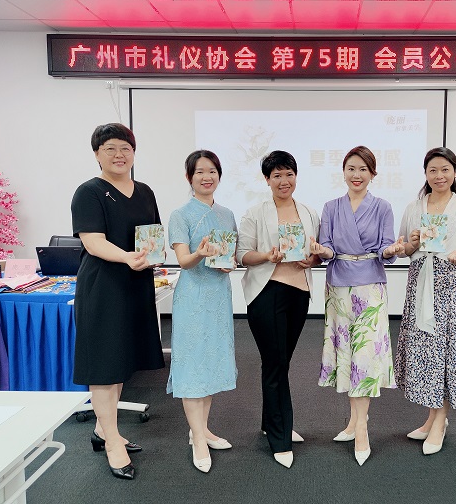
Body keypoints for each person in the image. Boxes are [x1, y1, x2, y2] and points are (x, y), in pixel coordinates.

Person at [71, 123, 164, 481]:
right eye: (110, 148)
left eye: (125, 148)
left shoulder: (145, 191)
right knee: (104, 365)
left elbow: (152, 235)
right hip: (103, 286)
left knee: (121, 359)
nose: (119, 154)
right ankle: (112, 442)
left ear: (134, 153)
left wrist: (153, 255)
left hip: (135, 284)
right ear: (97, 154)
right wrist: (127, 257)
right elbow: (93, 242)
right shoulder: (89, 192)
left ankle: (102, 429)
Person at [311, 146, 404, 466]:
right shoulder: (331, 207)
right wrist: (321, 251)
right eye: (351, 168)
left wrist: (391, 250)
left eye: (363, 169)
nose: (356, 174)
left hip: (370, 286)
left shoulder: (383, 207)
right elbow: (327, 247)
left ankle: (362, 428)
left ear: (373, 174)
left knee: (364, 355)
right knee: (348, 354)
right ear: (343, 172)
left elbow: (387, 248)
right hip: (338, 285)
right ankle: (353, 422)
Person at [395, 147, 456, 456]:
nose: (439, 175)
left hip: (451, 287)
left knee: (446, 352)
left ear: (455, 172)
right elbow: (403, 249)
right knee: (427, 352)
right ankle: (433, 417)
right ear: (426, 174)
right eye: (433, 170)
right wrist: (411, 244)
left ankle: (440, 421)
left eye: (445, 169)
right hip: (420, 284)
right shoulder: (414, 207)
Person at [237, 150, 320, 469]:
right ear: (267, 179)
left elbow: (316, 252)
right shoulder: (255, 213)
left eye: (289, 174)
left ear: (296, 176)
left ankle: (269, 422)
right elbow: (242, 255)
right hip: (267, 292)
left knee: (280, 362)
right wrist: (267, 256)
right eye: (277, 176)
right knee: (275, 363)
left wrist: (313, 259)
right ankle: (280, 437)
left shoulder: (308, 211)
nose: (284, 181)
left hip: (299, 293)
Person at [166, 150, 237, 474]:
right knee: (193, 366)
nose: (207, 177)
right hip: (193, 297)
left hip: (218, 296)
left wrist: (227, 264)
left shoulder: (226, 214)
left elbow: (229, 258)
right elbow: (183, 260)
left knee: (209, 363)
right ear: (189, 177)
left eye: (212, 171)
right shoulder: (180, 215)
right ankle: (197, 437)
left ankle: (203, 429)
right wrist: (200, 253)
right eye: (199, 172)